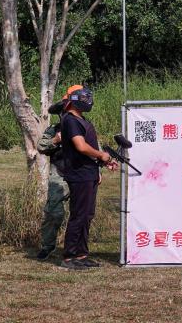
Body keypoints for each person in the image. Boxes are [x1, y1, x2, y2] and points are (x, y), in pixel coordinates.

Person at [60, 85, 117, 270]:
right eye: (84, 97)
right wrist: (101, 155)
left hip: (88, 173)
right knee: (79, 215)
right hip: (79, 174)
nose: (88, 100)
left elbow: (88, 149)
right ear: (74, 99)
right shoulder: (70, 120)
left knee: (87, 215)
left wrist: (101, 163)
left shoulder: (80, 120)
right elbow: (81, 147)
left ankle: (82, 254)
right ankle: (69, 257)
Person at [36, 99, 69, 260]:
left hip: (82, 175)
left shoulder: (85, 127)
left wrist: (98, 171)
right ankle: (47, 245)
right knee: (53, 212)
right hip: (59, 174)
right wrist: (55, 140)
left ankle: (75, 247)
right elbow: (41, 146)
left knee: (82, 214)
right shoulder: (54, 130)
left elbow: (95, 150)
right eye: (63, 113)